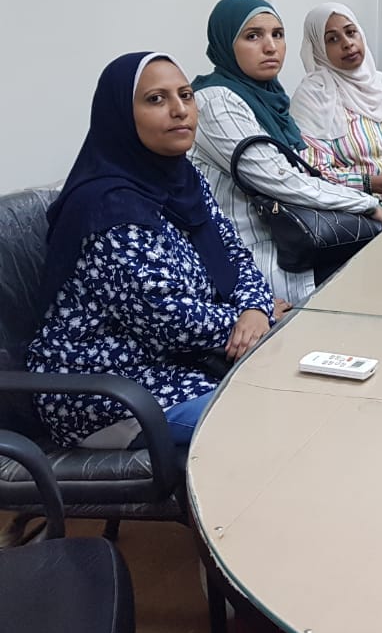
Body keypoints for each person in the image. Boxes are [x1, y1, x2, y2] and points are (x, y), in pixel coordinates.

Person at [27, 52, 281, 449]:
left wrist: (255, 309)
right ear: (121, 116)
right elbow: (168, 318)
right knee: (270, 418)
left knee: (303, 388)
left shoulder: (184, 179)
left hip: (183, 363)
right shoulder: (107, 206)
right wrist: (252, 319)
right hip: (110, 392)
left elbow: (234, 254)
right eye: (156, 99)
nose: (179, 110)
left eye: (185, 95)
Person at [191, 0, 382, 305]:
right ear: (225, 43)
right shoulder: (215, 101)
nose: (270, 47)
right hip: (257, 258)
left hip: (298, 240)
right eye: (253, 36)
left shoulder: (270, 99)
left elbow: (302, 170)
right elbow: (279, 178)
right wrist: (367, 204)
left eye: (278, 34)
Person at [291, 2, 382, 215]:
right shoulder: (313, 95)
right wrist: (371, 183)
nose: (347, 44)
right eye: (332, 39)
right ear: (318, 49)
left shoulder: (381, 83)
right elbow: (313, 173)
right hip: (364, 212)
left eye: (351, 32)